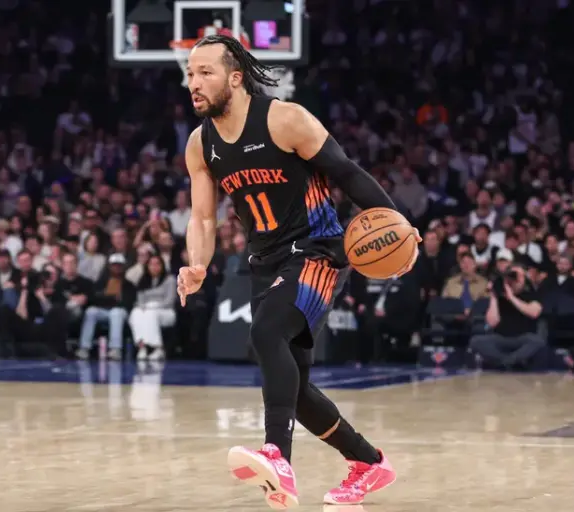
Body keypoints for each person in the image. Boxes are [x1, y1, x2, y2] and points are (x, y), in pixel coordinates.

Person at [176, 35, 420, 508]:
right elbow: (203, 218)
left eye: (204, 72)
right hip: (265, 261)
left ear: (234, 76)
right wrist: (198, 265)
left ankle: (278, 459)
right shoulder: (200, 145)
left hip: (318, 250)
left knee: (267, 335)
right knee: (297, 388)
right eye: (189, 74)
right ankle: (368, 463)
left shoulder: (284, 119)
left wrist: (400, 229)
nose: (194, 83)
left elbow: (347, 174)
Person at [129, 254, 177, 361]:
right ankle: (142, 347)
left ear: (162, 266)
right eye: (151, 264)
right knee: (135, 313)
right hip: (147, 311)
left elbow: (170, 301)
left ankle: (158, 348)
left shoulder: (170, 280)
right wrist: (144, 307)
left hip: (166, 312)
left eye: (157, 264)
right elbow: (140, 301)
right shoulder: (143, 280)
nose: (154, 267)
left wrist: (153, 306)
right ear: (147, 266)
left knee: (150, 314)